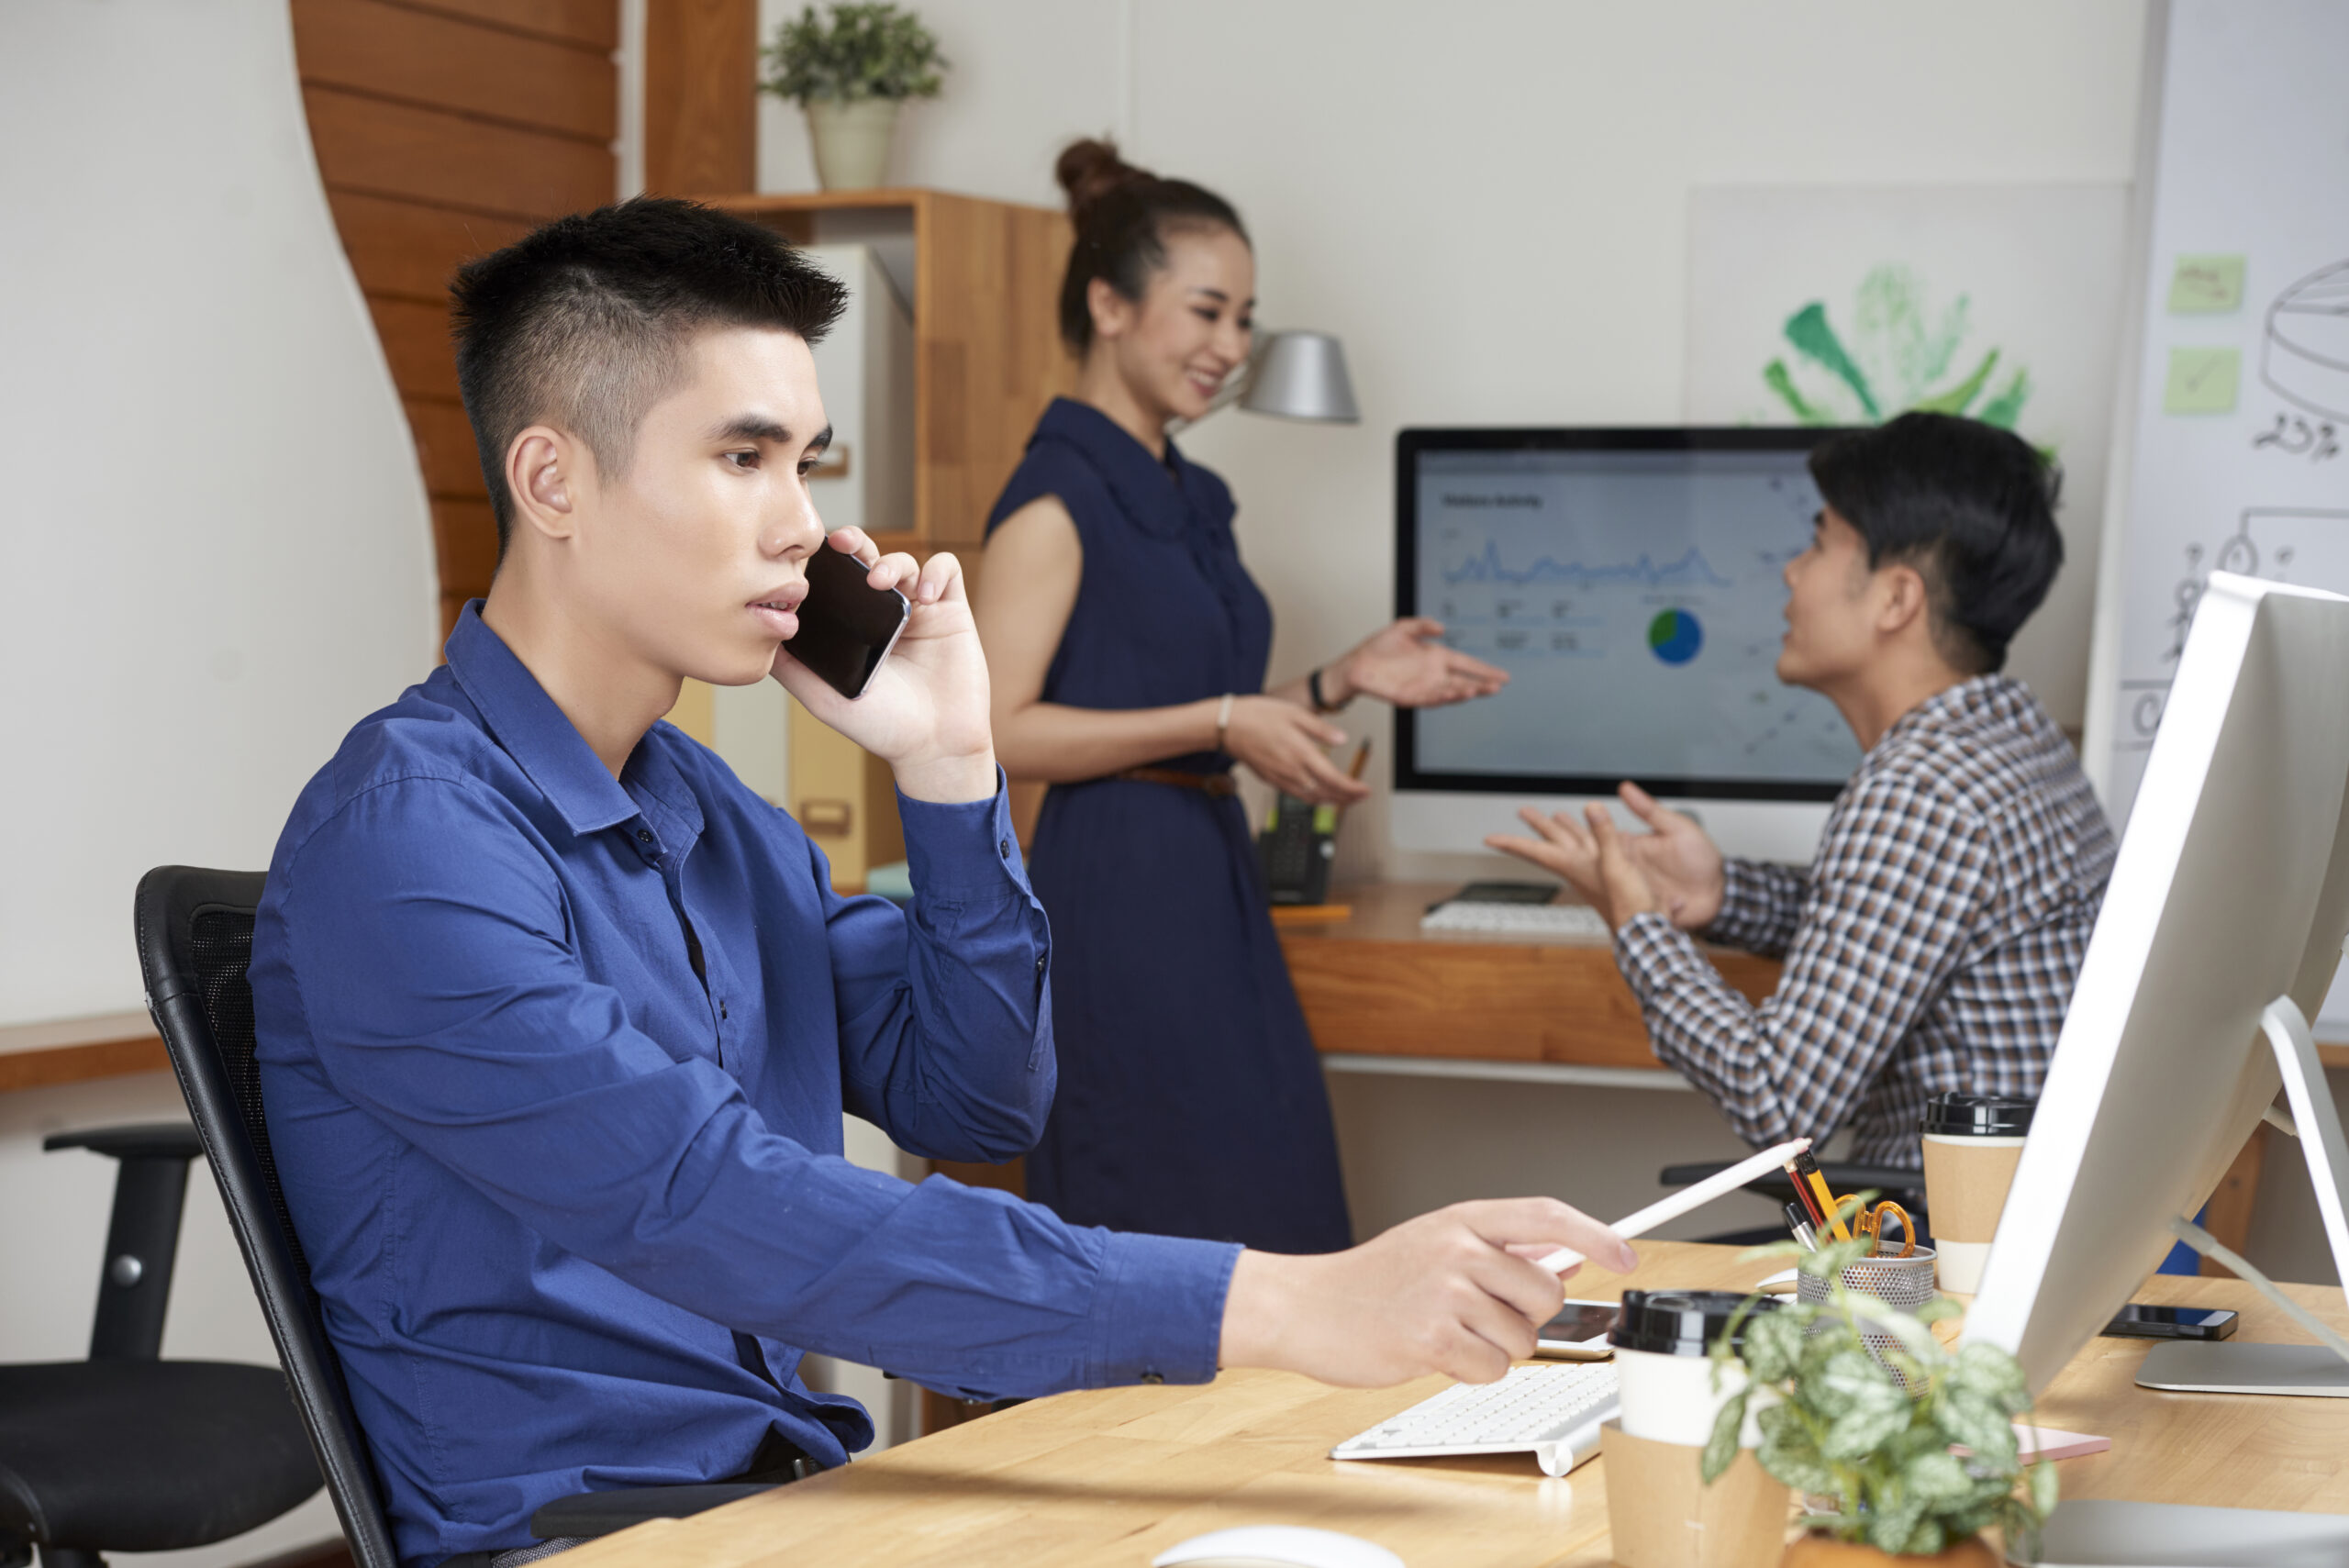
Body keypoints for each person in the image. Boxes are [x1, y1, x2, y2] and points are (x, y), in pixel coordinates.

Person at [246, 198, 1631, 1565]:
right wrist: (1285, 1302)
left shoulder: (712, 812)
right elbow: (720, 1207)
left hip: (792, 1494)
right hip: (592, 1537)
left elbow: (973, 1096)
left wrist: (955, 767)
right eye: (744, 458)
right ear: (553, 482)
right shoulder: (406, 841)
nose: (801, 526)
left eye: (808, 464)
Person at [972, 140, 1508, 1254]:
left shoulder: (1190, 494)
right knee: (1170, 1219)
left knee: (1276, 1208)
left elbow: (1170, 697)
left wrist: (1335, 679)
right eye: (1207, 312)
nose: (1231, 348)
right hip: (1115, 895)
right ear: (1109, 304)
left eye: (1245, 320)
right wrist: (1224, 722)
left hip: (1207, 879)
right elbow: (996, 728)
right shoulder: (1055, 502)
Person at [1490, 412, 2117, 1170]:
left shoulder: (1923, 790)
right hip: (2012, 1240)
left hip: (1916, 1269)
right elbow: (1900, 928)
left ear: (1896, 600)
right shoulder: (2017, 739)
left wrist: (1639, 922)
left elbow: (1779, 1099)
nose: (1792, 571)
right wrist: (1724, 892)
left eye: (1819, 542)